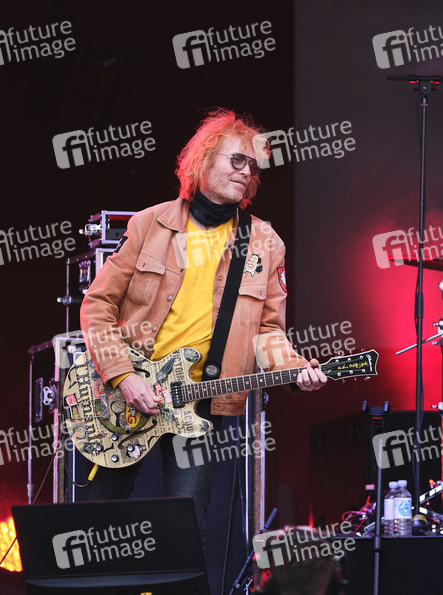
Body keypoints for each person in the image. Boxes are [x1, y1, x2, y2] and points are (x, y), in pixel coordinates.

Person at [79, 109, 327, 538]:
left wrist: (294, 369)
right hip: (124, 398)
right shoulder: (149, 223)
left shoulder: (265, 242)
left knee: (185, 532)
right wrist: (122, 375)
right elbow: (97, 305)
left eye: (254, 167)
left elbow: (269, 331)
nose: (247, 172)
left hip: (198, 402)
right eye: (237, 160)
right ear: (203, 161)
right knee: (94, 527)